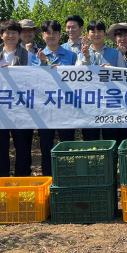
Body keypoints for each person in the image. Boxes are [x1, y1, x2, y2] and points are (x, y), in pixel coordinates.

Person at [32, 20, 79, 176]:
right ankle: (48, 177)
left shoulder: (72, 56)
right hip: (45, 108)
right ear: (43, 35)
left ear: (60, 35)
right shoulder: (36, 57)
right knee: (46, 146)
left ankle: (68, 176)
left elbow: (79, 79)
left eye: (54, 33)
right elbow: (33, 80)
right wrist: (44, 63)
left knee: (67, 144)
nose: (51, 36)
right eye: (48, 33)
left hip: (66, 107)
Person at [0, 20, 33, 178]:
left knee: (22, 143)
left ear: (19, 35)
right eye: (7, 32)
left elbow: (35, 78)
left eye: (14, 32)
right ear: (1, 36)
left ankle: (22, 175)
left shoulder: (28, 55)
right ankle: (2, 176)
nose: (11, 35)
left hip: (21, 106)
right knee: (0, 143)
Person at [77, 20, 127, 141]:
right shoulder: (81, 54)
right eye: (92, 31)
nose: (96, 34)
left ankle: (112, 160)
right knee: (90, 139)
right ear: (88, 35)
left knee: (111, 138)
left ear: (105, 34)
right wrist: (86, 58)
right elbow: (77, 77)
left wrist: (113, 70)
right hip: (90, 103)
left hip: (111, 103)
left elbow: (125, 75)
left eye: (99, 31)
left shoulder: (116, 53)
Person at [105, 23, 127, 146]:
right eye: (119, 36)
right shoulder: (109, 54)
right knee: (118, 135)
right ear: (115, 38)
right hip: (115, 101)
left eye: (125, 35)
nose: (123, 38)